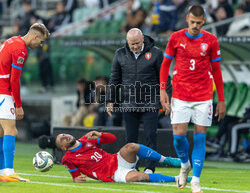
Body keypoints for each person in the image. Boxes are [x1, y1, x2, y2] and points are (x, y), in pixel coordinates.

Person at [160, 5, 225, 193]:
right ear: (187, 19)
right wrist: (163, 90)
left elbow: (217, 71)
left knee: (200, 138)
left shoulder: (211, 40)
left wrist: (221, 99)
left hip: (203, 96)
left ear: (203, 21)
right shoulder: (175, 38)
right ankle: (184, 164)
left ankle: (195, 181)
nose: (195, 25)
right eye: (192, 22)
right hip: (180, 95)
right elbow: (165, 65)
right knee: (178, 138)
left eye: (199, 22)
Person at [106, 28, 172, 174]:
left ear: (143, 39)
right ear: (127, 42)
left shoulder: (156, 53)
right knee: (130, 139)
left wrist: (167, 98)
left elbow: (165, 77)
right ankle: (132, 167)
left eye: (137, 43)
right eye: (131, 44)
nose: (135, 46)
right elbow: (114, 79)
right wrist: (110, 100)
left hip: (150, 102)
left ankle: (150, 168)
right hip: (129, 103)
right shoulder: (120, 54)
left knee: (150, 136)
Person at [0, 23, 50, 182]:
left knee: (1, 132)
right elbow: (14, 79)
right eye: (41, 41)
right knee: (11, 131)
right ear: (35, 36)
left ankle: (2, 172)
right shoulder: (21, 49)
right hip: (3, 91)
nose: (40, 45)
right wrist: (18, 105)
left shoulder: (12, 40)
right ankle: (9, 172)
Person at [56, 131, 186, 183]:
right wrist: (77, 179)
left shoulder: (87, 139)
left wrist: (100, 134)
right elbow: (76, 177)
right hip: (112, 174)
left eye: (64, 134)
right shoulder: (67, 159)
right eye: (61, 139)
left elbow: (113, 139)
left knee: (131, 146)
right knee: (137, 177)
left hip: (116, 159)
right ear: (63, 148)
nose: (65, 136)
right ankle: (178, 179)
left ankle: (166, 160)